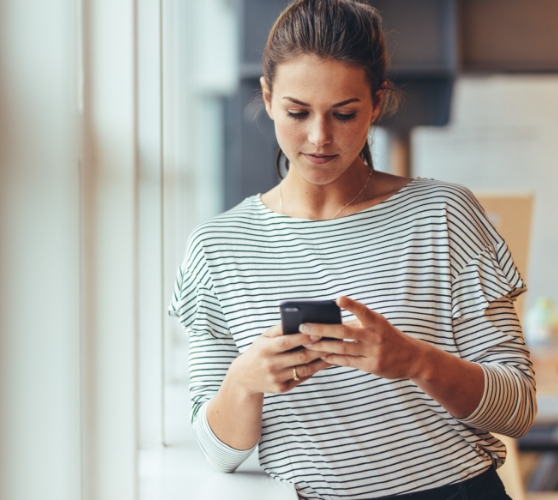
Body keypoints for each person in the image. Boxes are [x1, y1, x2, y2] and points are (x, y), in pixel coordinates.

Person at [169, 1, 536, 498]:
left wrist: (416, 361)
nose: (320, 138)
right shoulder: (217, 248)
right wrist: (244, 380)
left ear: (377, 102)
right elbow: (220, 454)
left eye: (344, 114)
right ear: (268, 96)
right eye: (298, 112)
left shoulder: (444, 214)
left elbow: (517, 408)